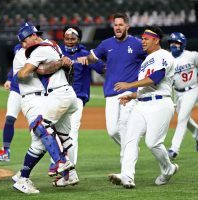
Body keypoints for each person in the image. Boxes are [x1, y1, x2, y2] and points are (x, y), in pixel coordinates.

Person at [12, 23, 79, 194]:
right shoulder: (24, 53)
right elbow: (22, 75)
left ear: (33, 36)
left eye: (24, 41)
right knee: (43, 138)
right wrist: (51, 66)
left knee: (46, 137)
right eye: (22, 42)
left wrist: (54, 66)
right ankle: (25, 177)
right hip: (32, 99)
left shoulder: (41, 48)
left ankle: (63, 170)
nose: (23, 45)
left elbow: (40, 69)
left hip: (49, 97)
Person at [109, 26, 178, 188]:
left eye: (146, 39)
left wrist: (129, 85)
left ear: (156, 40)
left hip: (161, 104)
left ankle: (168, 168)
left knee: (153, 143)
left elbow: (156, 78)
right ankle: (127, 176)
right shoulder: (146, 61)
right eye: (142, 38)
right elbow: (146, 87)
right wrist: (133, 94)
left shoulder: (164, 55)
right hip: (142, 104)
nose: (143, 41)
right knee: (130, 139)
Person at [77, 13, 146, 160]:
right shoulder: (106, 44)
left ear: (127, 26)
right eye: (115, 25)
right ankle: (130, 149)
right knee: (112, 131)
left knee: (124, 126)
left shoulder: (137, 44)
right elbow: (92, 58)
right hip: (111, 92)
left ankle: (126, 157)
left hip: (129, 92)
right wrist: (86, 59)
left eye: (121, 25)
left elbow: (151, 59)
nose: (118, 28)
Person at [47, 26, 104, 174]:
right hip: (58, 97)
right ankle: (56, 162)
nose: (70, 41)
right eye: (67, 38)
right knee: (53, 130)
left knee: (72, 131)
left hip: (77, 97)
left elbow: (102, 68)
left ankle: (70, 166)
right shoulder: (57, 53)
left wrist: (91, 60)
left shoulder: (85, 53)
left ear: (78, 39)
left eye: (73, 38)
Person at [167, 32, 198, 159]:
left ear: (183, 44)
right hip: (177, 92)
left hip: (193, 89)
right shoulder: (168, 58)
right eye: (172, 42)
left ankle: (174, 149)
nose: (174, 45)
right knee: (184, 117)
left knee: (182, 119)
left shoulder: (192, 55)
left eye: (177, 42)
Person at [0, 44, 22, 162]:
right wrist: (10, 78)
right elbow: (16, 66)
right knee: (10, 118)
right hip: (16, 89)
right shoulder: (18, 48)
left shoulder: (39, 48)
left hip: (33, 92)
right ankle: (5, 151)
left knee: (38, 125)